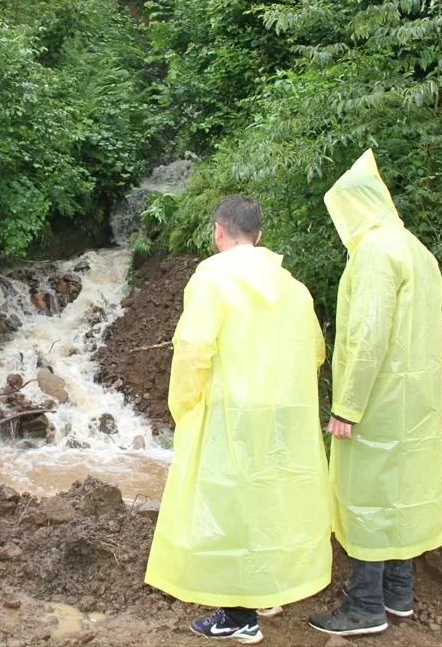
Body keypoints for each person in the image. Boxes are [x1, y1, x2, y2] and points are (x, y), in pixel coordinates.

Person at [145, 195, 332, 645]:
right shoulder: (294, 287)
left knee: (231, 505)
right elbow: (315, 352)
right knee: (271, 499)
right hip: (281, 411)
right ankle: (267, 587)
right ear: (260, 236)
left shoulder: (211, 279)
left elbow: (193, 348)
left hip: (231, 411)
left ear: (218, 232)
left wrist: (184, 406)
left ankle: (237, 616)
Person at [308, 150, 442, 637]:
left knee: (365, 494)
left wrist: (347, 405)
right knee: (401, 488)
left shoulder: (373, 252)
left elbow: (368, 334)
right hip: (417, 401)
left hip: (378, 400)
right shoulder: (418, 250)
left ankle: (365, 605)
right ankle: (398, 591)